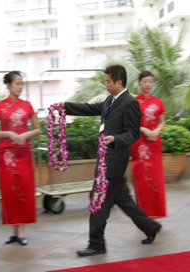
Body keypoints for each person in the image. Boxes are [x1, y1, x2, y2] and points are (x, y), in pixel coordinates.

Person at [60, 64, 162, 257]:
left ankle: (96, 243)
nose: (105, 84)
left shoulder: (130, 103)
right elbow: (90, 108)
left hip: (114, 160)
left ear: (118, 82)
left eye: (108, 81)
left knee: (98, 200)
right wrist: (65, 107)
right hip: (105, 158)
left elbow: (133, 134)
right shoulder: (110, 100)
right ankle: (150, 227)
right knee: (122, 199)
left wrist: (116, 139)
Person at [0, 71, 41, 246]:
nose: (20, 87)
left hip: (23, 152)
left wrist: (25, 135)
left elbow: (38, 129)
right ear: (8, 85)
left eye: (22, 84)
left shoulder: (27, 105)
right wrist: (9, 133)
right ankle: (13, 230)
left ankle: (22, 230)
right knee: (10, 192)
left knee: (24, 189)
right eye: (17, 83)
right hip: (6, 153)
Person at [130, 71, 167, 219]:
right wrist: (144, 129)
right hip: (140, 143)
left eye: (150, 81)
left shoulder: (159, 101)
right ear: (139, 83)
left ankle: (157, 212)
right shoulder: (133, 102)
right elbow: (130, 123)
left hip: (154, 143)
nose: (148, 85)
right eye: (145, 81)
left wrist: (156, 131)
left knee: (156, 177)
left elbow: (162, 121)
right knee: (141, 176)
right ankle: (144, 213)